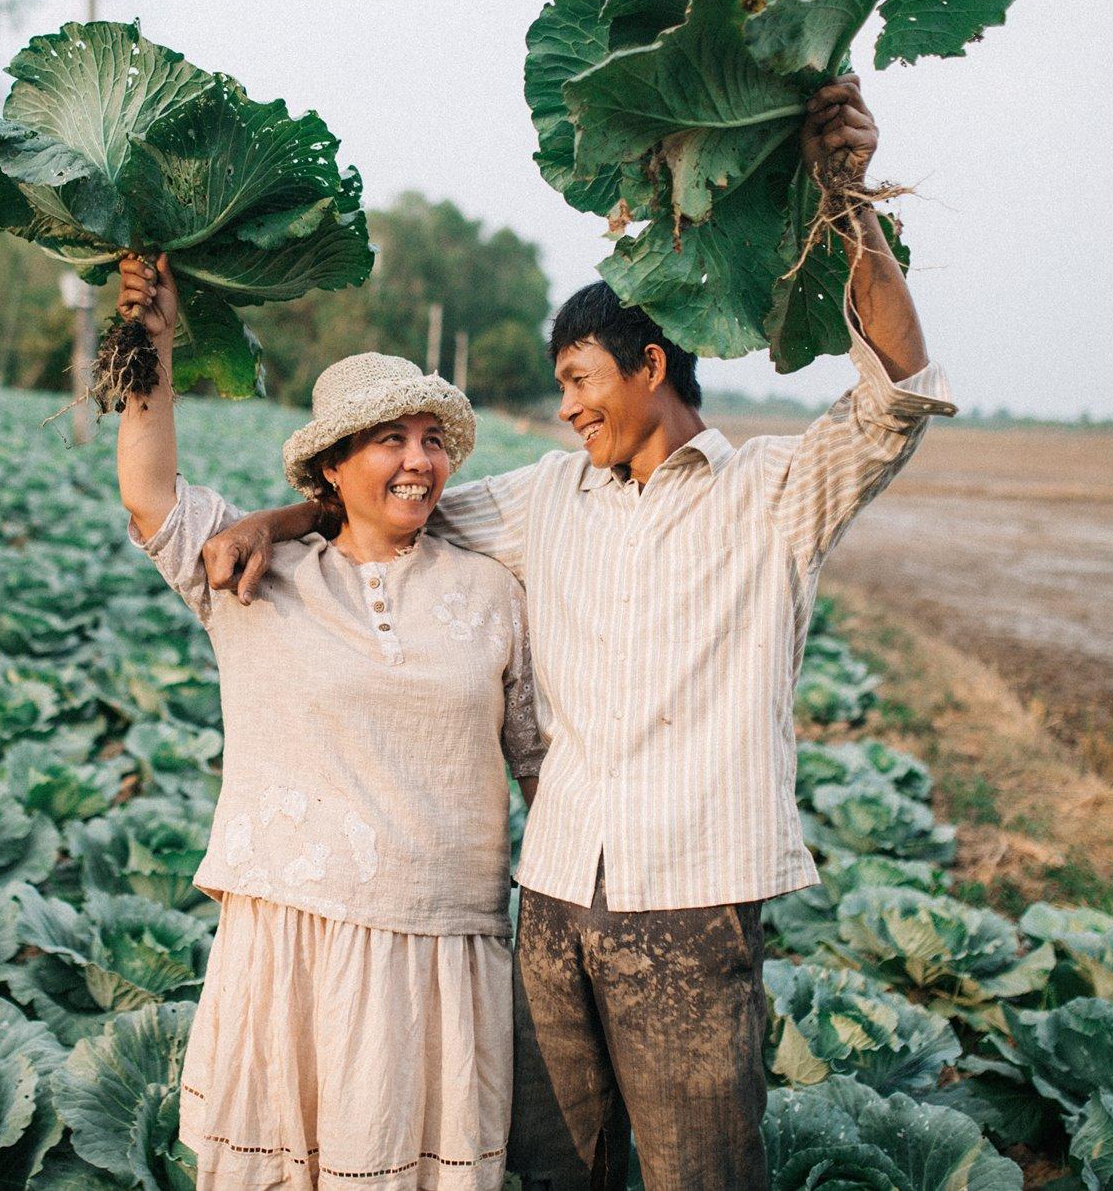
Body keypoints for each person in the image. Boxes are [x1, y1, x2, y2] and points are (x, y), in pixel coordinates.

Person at [196, 75, 956, 1190]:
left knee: (702, 1170)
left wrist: (845, 196)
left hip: (690, 901)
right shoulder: (544, 497)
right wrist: (273, 516)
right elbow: (385, 503)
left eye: (579, 379)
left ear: (652, 366)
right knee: (555, 1170)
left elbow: (892, 392)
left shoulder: (775, 496)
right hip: (550, 900)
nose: (566, 408)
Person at [112, 252, 546, 1190]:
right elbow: (150, 493)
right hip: (293, 937)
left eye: (433, 438)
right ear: (330, 469)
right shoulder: (253, 575)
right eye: (390, 438)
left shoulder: (492, 592)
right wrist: (150, 335)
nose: (420, 459)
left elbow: (541, 768)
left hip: (440, 950)